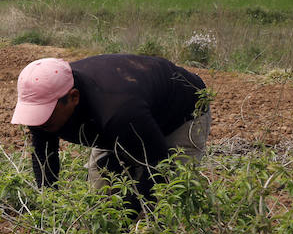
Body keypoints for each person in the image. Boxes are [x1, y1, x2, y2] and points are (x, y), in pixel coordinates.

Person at [11, 54, 211, 214]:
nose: (40, 122)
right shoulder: (44, 100)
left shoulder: (117, 110)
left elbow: (158, 163)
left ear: (73, 97)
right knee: (102, 203)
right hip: (126, 119)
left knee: (165, 204)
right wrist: (49, 213)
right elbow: (45, 156)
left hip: (180, 112)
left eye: (48, 114)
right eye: (37, 114)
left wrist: (130, 215)